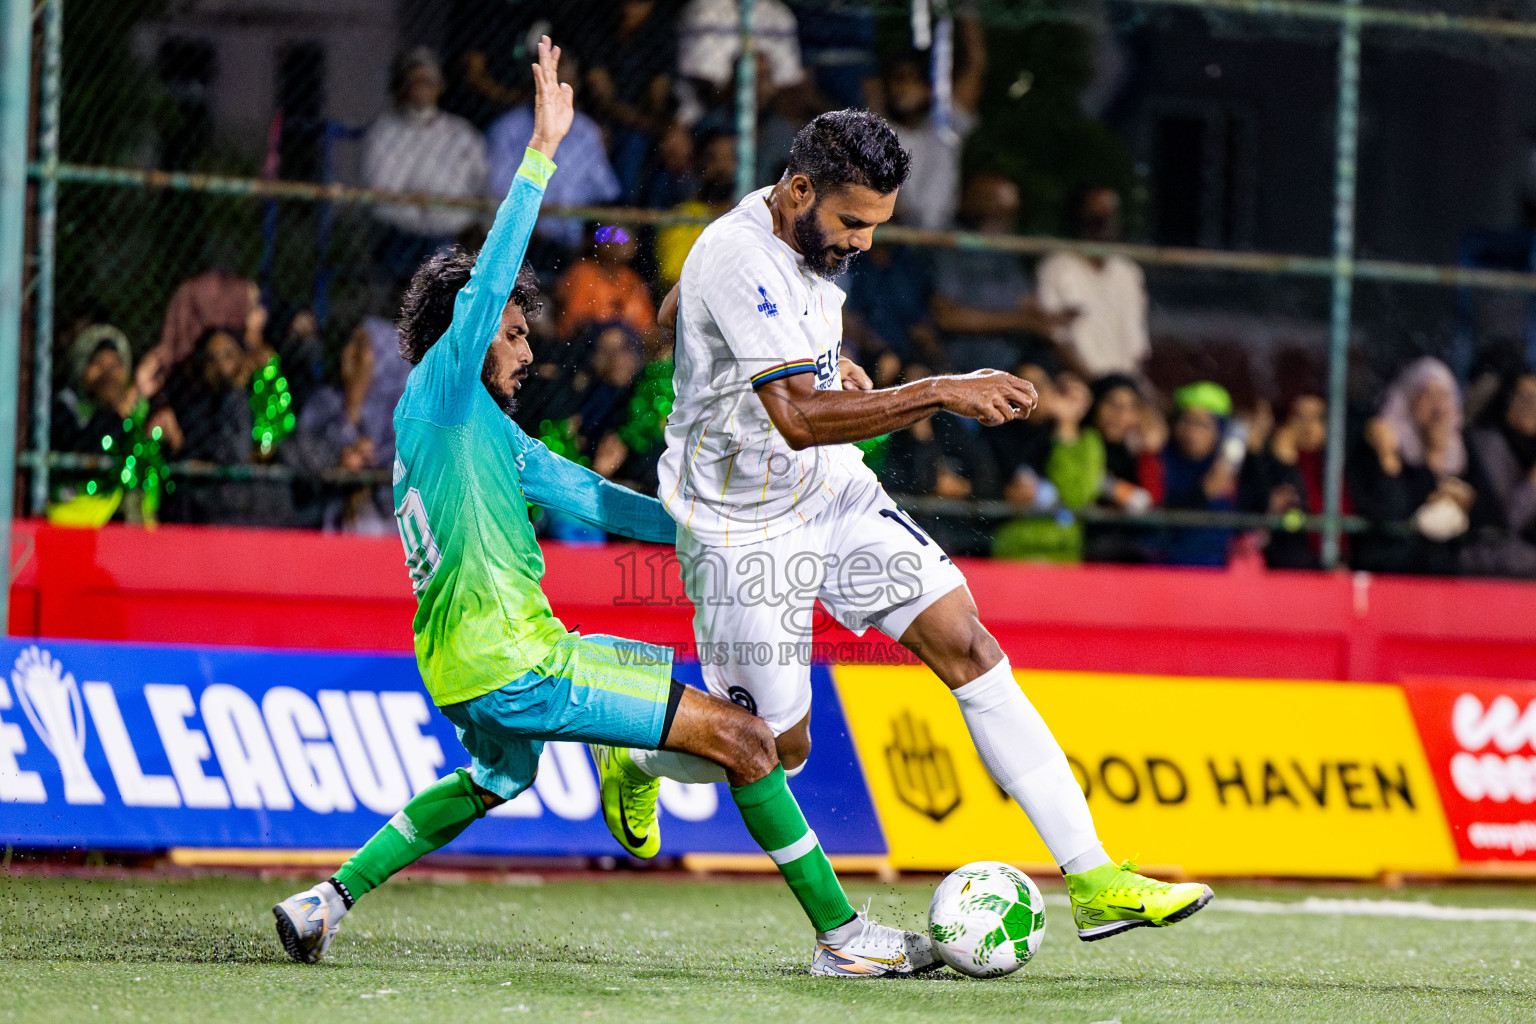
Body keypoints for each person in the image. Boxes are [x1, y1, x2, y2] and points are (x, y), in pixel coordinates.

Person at [272, 43, 918, 979]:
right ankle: (843, 938)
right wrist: (541, 150)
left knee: (499, 774)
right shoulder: (445, 388)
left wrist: (706, 527)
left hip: (465, 661)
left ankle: (326, 901)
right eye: (515, 331)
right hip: (516, 658)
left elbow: (595, 496)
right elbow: (490, 277)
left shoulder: (476, 434)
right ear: (464, 332)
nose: (528, 348)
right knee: (744, 740)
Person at [623, 109, 1212, 951]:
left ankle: (1094, 876)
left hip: (829, 491)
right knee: (772, 746)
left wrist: (813, 365)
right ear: (798, 191)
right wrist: (935, 389)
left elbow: (689, 313)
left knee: (967, 643)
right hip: (741, 527)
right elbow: (791, 415)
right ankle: (640, 757)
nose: (863, 242)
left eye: (875, 224)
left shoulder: (804, 231)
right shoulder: (736, 251)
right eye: (853, 223)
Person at [361, 49, 489, 285]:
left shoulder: (462, 133)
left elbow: (483, 187)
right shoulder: (383, 132)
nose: (421, 87)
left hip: (453, 236)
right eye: (414, 80)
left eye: (428, 80)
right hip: (399, 236)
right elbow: (379, 197)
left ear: (440, 86)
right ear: (401, 86)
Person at [930, 172, 1074, 373]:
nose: (1006, 217)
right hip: (963, 364)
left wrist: (1051, 318)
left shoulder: (1003, 248)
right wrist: (1021, 321)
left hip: (1013, 361)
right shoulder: (947, 244)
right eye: (997, 207)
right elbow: (947, 316)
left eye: (1011, 210)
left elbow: (1024, 301)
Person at [485, 49, 619, 255]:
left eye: (564, 67)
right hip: (517, 241)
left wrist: (599, 238)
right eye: (550, 69)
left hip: (574, 247)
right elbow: (497, 190)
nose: (557, 76)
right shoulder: (507, 128)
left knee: (619, 240)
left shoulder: (587, 131)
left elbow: (606, 194)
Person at [1348, 357, 1473, 575]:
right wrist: (1390, 459)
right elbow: (1392, 517)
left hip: (1440, 573)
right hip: (1387, 567)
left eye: (1442, 395)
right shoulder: (1381, 439)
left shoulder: (1460, 448)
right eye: (1426, 394)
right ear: (1407, 397)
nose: (1436, 406)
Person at [283, 318, 408, 534]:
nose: (348, 353)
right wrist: (352, 411)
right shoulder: (324, 404)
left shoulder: (409, 417)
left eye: (360, 346)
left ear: (386, 357)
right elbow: (298, 452)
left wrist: (369, 469)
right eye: (348, 344)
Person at [879, 14, 986, 232]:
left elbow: (976, 65)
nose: (901, 90)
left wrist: (966, 11)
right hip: (898, 238)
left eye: (910, 79)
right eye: (896, 81)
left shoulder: (947, 126)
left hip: (945, 235)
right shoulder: (881, 133)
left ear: (930, 87)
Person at [1036, 187, 1150, 379]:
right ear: (1079, 218)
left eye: (1110, 215)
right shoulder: (1057, 268)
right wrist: (1098, 386)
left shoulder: (1128, 272)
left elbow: (1138, 347)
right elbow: (1055, 339)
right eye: (1096, 217)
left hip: (1125, 384)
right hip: (1077, 383)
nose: (1104, 223)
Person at [1154, 382, 1246, 567]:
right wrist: (1204, 491)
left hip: (1215, 575)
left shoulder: (1232, 466)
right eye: (1186, 421)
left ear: (1219, 431)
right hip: (1163, 571)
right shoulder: (1161, 459)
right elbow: (1159, 510)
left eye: (1202, 424)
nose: (1192, 431)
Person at [1464, 368, 1536, 576]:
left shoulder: (1529, 447)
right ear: (1506, 400)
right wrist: (1532, 482)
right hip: (1485, 554)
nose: (1531, 407)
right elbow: (1505, 524)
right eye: (1525, 397)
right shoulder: (1489, 445)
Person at [554, 225, 655, 342]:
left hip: (628, 345)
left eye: (623, 238)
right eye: (610, 238)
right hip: (586, 343)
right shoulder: (583, 273)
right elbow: (576, 322)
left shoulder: (633, 279)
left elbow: (646, 325)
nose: (616, 244)